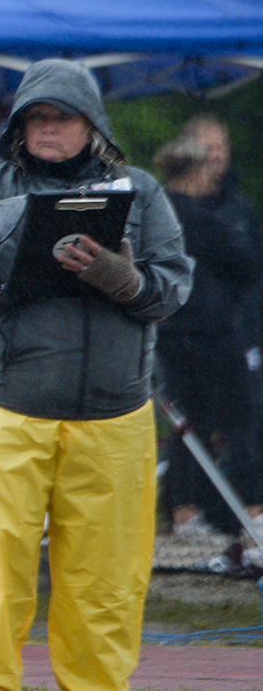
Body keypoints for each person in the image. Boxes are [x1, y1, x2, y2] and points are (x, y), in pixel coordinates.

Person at [0, 59, 192, 691]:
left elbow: (173, 288)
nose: (46, 130)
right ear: (19, 130)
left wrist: (122, 278)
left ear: (91, 125)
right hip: (10, 405)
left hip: (114, 412)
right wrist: (20, 248)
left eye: (60, 118)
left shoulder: (141, 194)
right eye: (35, 119)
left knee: (108, 571)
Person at [153, 117, 263, 538]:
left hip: (171, 334)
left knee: (187, 425)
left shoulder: (157, 213)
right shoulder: (200, 217)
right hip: (211, 336)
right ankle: (252, 508)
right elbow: (247, 263)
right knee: (240, 420)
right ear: (195, 172)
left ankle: (184, 512)